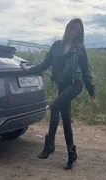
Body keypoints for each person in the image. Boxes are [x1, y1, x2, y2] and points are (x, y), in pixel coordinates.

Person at [20, 18, 97, 170]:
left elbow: (86, 71)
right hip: (62, 86)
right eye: (72, 28)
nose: (74, 32)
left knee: (55, 107)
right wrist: (28, 70)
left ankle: (49, 146)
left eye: (77, 30)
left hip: (75, 85)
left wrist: (92, 90)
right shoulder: (56, 46)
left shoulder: (80, 48)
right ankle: (71, 154)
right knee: (66, 120)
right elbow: (45, 64)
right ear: (68, 28)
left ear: (80, 33)